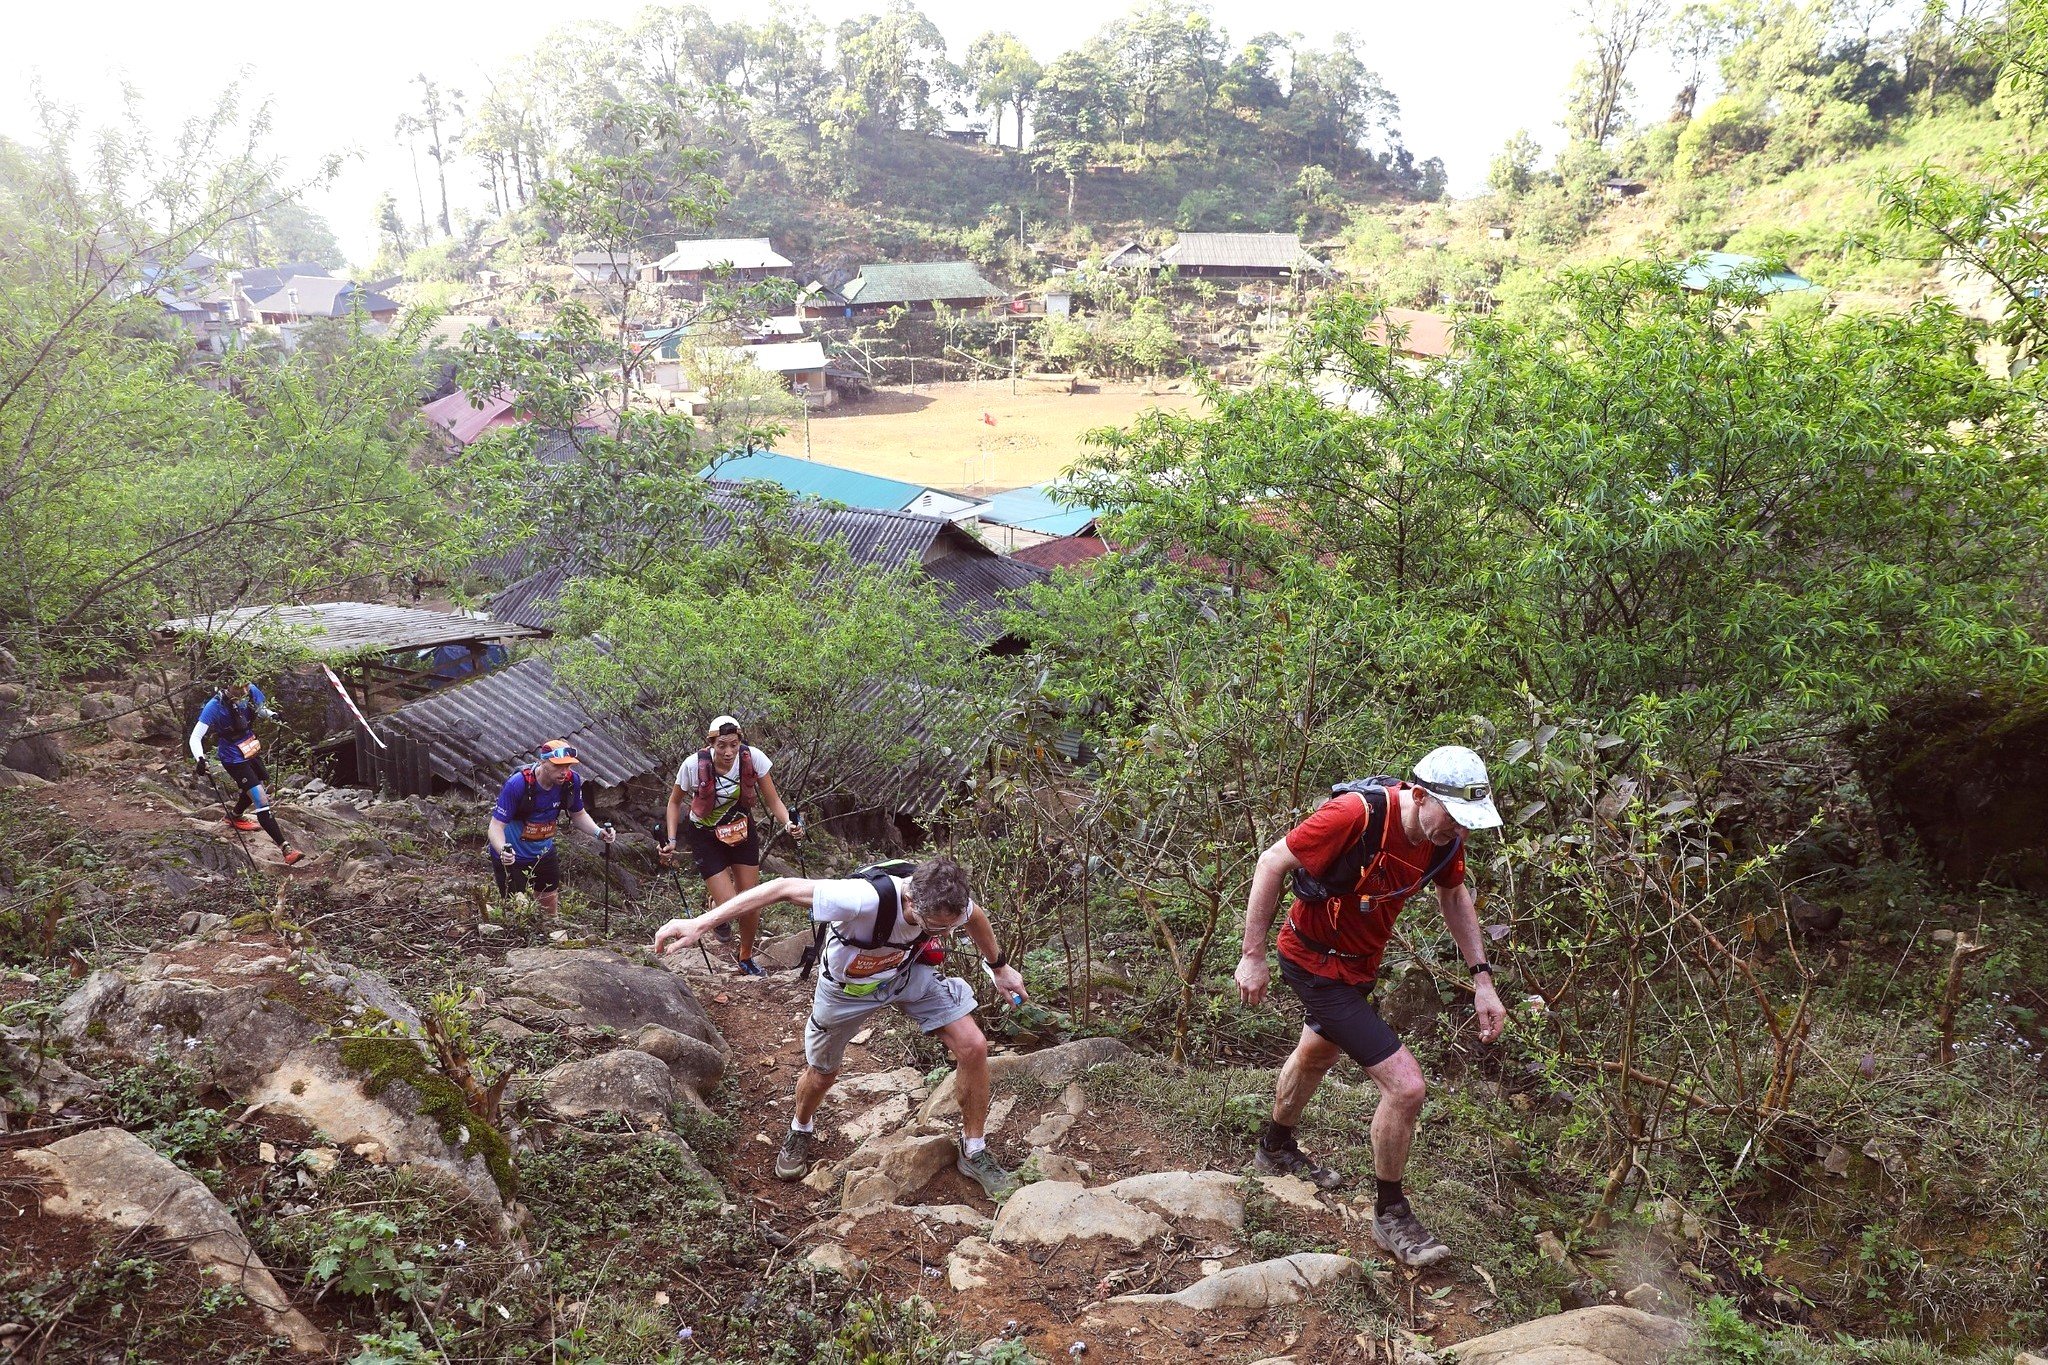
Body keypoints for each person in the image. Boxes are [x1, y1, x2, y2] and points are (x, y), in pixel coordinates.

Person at [1234, 745, 1509, 1269]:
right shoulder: (1355, 815)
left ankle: (1274, 1146)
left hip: (1358, 966)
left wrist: (1482, 979)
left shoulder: (1443, 840)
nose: (1461, 833)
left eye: (1469, 823)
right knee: (1406, 1087)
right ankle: (1391, 1213)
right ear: (1421, 796)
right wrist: (1253, 956)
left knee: (1317, 1052)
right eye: (1454, 819)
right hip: (1312, 961)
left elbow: (1454, 897)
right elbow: (1271, 862)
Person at [653, 854, 1027, 1199]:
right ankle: (801, 1127)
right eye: (937, 927)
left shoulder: (948, 903)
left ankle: (973, 1149)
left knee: (973, 1046)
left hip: (906, 975)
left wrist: (999, 967)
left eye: (949, 926)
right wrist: (701, 923)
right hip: (846, 991)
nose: (945, 933)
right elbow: (780, 887)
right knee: (822, 1075)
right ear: (912, 900)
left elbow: (975, 918)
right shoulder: (861, 899)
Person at [659, 715, 802, 977]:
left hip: (740, 831)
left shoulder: (753, 759)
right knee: (729, 904)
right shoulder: (693, 766)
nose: (728, 752)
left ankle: (745, 956)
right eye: (722, 745)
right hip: (705, 835)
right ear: (711, 743)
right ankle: (716, 909)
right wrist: (671, 839)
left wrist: (788, 824)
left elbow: (773, 800)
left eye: (734, 745)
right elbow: (674, 802)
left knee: (751, 901)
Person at [487, 740, 616, 915]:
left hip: (543, 852)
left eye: (568, 766)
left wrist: (598, 832)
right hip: (512, 856)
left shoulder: (571, 782)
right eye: (558, 766)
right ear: (543, 762)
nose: (564, 772)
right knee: (517, 912)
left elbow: (578, 814)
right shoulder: (518, 784)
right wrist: (503, 850)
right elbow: (495, 826)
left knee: (549, 907)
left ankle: (552, 935)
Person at [189, 681, 303, 866]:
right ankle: (286, 849)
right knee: (260, 797)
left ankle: (234, 816)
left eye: (246, 686)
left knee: (253, 784)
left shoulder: (251, 691)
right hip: (233, 758)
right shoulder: (214, 706)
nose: (243, 691)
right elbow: (195, 736)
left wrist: (273, 715)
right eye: (237, 688)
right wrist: (200, 759)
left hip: (250, 749)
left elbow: (259, 709)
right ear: (226, 686)